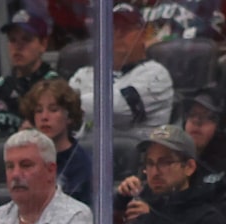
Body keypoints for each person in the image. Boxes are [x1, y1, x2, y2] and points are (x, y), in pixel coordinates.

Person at [114, 124, 226, 224]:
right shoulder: (140, 216)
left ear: (189, 167)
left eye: (165, 162)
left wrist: (157, 219)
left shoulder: (207, 219)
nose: (155, 171)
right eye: (150, 163)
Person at [69, 4, 174, 144]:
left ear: (143, 34)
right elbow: (64, 114)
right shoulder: (84, 74)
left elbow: (116, 109)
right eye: (112, 28)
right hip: (88, 158)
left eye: (126, 28)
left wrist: (69, 103)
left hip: (138, 160)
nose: (117, 34)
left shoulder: (157, 75)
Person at [0, 10, 58, 144]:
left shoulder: (55, 87)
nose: (18, 47)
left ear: (43, 44)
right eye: (12, 40)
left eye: (26, 39)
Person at [19, 78, 91, 206]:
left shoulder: (82, 164)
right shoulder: (24, 158)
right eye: (38, 111)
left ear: (69, 116)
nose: (44, 117)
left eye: (53, 110)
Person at [183, 90, 226, 177]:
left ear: (219, 127)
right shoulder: (170, 156)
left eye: (207, 117)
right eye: (192, 114)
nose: (196, 121)